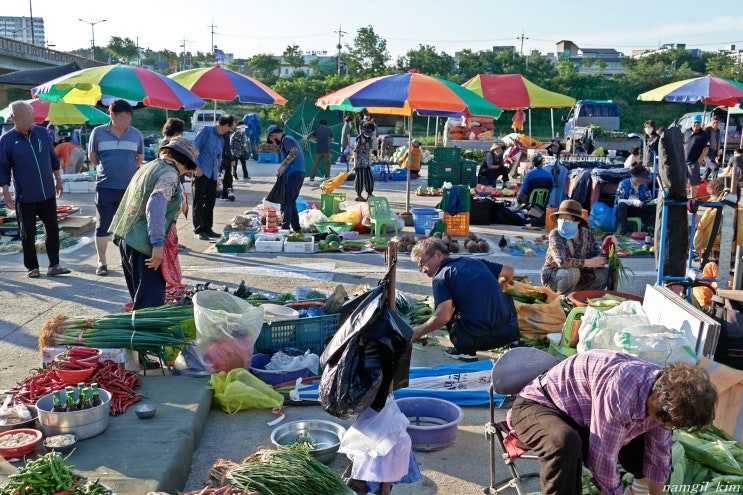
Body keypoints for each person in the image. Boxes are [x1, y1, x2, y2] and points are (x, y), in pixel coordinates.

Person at [511, 349, 717, 495]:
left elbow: (659, 454)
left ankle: (637, 490)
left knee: (644, 449)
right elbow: (603, 457)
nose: (665, 425)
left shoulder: (666, 396)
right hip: (539, 405)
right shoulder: (622, 389)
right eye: (665, 420)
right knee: (565, 443)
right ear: (657, 396)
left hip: (581, 416)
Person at [109, 137, 199, 310]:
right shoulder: (170, 174)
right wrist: (158, 246)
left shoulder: (150, 166)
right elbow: (156, 203)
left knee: (141, 302)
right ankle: (144, 336)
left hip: (127, 238)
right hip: (144, 246)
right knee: (149, 309)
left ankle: (140, 334)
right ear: (185, 164)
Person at [410, 238, 519, 362]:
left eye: (423, 264)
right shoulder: (475, 261)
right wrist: (502, 286)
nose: (423, 270)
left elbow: (443, 316)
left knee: (448, 311)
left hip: (481, 340)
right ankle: (515, 342)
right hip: (508, 332)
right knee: (506, 297)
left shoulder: (440, 277)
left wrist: (418, 331)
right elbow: (509, 271)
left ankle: (466, 351)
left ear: (438, 255)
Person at [0, 100, 71, 278]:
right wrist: (6, 192)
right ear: (13, 117)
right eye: (24, 116)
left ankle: (54, 265)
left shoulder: (42, 132)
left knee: (52, 228)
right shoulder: (7, 140)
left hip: (47, 193)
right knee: (27, 233)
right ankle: (32, 267)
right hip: (25, 197)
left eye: (30, 115)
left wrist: (58, 180)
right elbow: (3, 168)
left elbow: (53, 158)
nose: (29, 119)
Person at [88, 99, 144, 276]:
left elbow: (139, 158)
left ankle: (126, 259)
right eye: (122, 115)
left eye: (129, 116)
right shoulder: (98, 132)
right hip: (105, 186)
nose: (127, 119)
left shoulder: (136, 134)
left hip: (129, 188)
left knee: (127, 226)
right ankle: (102, 261)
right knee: (102, 225)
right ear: (111, 115)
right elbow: (92, 156)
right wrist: (106, 169)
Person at [541, 199, 608, 295]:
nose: (563, 221)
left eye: (567, 218)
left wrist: (605, 250)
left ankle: (583, 296)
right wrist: (589, 262)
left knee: (605, 273)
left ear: (577, 221)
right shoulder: (555, 234)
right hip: (556, 276)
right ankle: (561, 298)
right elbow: (562, 262)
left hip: (580, 276)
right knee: (573, 272)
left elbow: (598, 259)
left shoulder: (587, 234)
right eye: (560, 218)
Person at [192, 114, 235, 240]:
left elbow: (218, 157)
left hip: (213, 174)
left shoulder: (222, 139)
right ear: (226, 125)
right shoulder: (206, 130)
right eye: (231, 127)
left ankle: (207, 228)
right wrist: (195, 167)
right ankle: (199, 229)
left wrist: (218, 173)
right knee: (198, 202)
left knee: (210, 201)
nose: (230, 130)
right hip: (201, 171)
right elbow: (194, 149)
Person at [266, 124, 305, 232]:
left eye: (272, 141)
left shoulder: (286, 139)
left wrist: (283, 165)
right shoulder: (287, 140)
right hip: (297, 173)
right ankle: (296, 228)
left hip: (294, 173)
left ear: (273, 136)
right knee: (291, 202)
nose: (274, 143)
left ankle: (285, 228)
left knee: (287, 202)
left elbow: (294, 152)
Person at [615, 165, 655, 235]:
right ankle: (624, 230)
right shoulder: (623, 184)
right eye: (641, 178)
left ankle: (648, 231)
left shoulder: (644, 186)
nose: (642, 180)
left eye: (643, 179)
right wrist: (633, 202)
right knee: (622, 205)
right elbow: (619, 200)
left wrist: (652, 202)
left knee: (654, 207)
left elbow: (648, 200)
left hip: (638, 209)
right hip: (626, 210)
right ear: (634, 176)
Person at [683, 114, 709, 199]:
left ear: (701, 124)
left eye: (698, 123)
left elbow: (706, 149)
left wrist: (699, 160)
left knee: (694, 183)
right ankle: (683, 198)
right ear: (691, 122)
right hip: (683, 162)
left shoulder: (703, 134)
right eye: (695, 122)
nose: (696, 124)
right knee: (683, 182)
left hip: (694, 162)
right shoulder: (686, 132)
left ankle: (692, 200)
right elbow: (681, 144)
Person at [353, 121, 376, 202]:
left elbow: (370, 149)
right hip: (360, 162)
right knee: (360, 179)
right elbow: (355, 151)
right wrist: (355, 162)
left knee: (370, 178)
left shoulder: (369, 138)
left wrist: (370, 159)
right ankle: (358, 195)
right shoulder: (359, 138)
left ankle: (369, 193)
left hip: (367, 162)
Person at [218, 117, 237, 201]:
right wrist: (232, 159)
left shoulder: (220, 134)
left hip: (220, 160)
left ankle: (225, 194)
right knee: (227, 178)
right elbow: (227, 149)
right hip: (225, 160)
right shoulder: (225, 135)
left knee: (223, 177)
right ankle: (226, 193)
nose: (232, 129)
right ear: (227, 125)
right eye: (232, 127)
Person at [703, 115, 722, 180]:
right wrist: (702, 128)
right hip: (707, 152)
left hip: (714, 152)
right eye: (714, 122)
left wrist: (718, 152)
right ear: (711, 122)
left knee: (707, 170)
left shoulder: (718, 131)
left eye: (717, 122)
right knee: (715, 167)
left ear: (719, 123)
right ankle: (714, 185)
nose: (715, 124)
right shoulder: (707, 130)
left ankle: (702, 184)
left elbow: (718, 142)